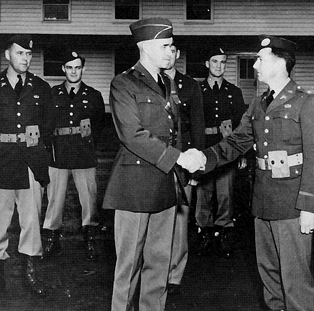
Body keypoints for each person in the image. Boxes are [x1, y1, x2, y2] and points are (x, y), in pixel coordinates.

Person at [196, 35, 314, 311]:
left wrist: (309, 207)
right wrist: (203, 158)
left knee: (296, 280)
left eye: (260, 59)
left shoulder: (308, 102)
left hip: (293, 204)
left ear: (280, 63)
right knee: (269, 276)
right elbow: (236, 142)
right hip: (263, 201)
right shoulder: (257, 104)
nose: (255, 66)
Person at [102, 17, 204, 311]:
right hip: (134, 188)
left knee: (159, 264)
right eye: (166, 45)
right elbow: (132, 135)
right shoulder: (123, 83)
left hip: (166, 185)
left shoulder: (167, 82)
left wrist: (186, 163)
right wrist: (179, 158)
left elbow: (176, 130)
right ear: (145, 47)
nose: (171, 51)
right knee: (128, 266)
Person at [0, 34, 54, 297]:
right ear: (7, 55)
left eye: (28, 54)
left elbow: (47, 126)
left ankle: (30, 272)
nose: (25, 59)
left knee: (31, 220)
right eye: (19, 53)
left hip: (30, 161)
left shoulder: (40, 87)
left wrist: (40, 155)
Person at [42, 50, 105, 261]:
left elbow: (100, 126)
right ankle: (52, 240)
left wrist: (89, 143)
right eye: (69, 67)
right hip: (58, 153)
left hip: (84, 154)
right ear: (63, 69)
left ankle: (90, 239)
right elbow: (46, 124)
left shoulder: (94, 95)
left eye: (77, 67)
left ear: (83, 69)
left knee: (89, 199)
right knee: (54, 200)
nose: (74, 71)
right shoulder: (52, 94)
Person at [195, 46, 247, 258]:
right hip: (204, 148)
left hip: (227, 150)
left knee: (226, 191)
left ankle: (224, 229)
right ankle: (203, 230)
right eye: (215, 61)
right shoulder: (197, 91)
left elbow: (242, 127)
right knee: (203, 192)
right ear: (207, 64)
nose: (219, 66)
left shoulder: (234, 92)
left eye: (223, 62)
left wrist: (241, 153)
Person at [163, 44, 205, 295]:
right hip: (157, 161)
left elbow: (198, 127)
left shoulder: (190, 85)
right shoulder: (150, 82)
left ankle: (174, 276)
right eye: (164, 50)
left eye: (173, 51)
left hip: (183, 163)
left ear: (178, 55)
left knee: (180, 222)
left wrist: (196, 170)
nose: (168, 56)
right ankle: (157, 270)